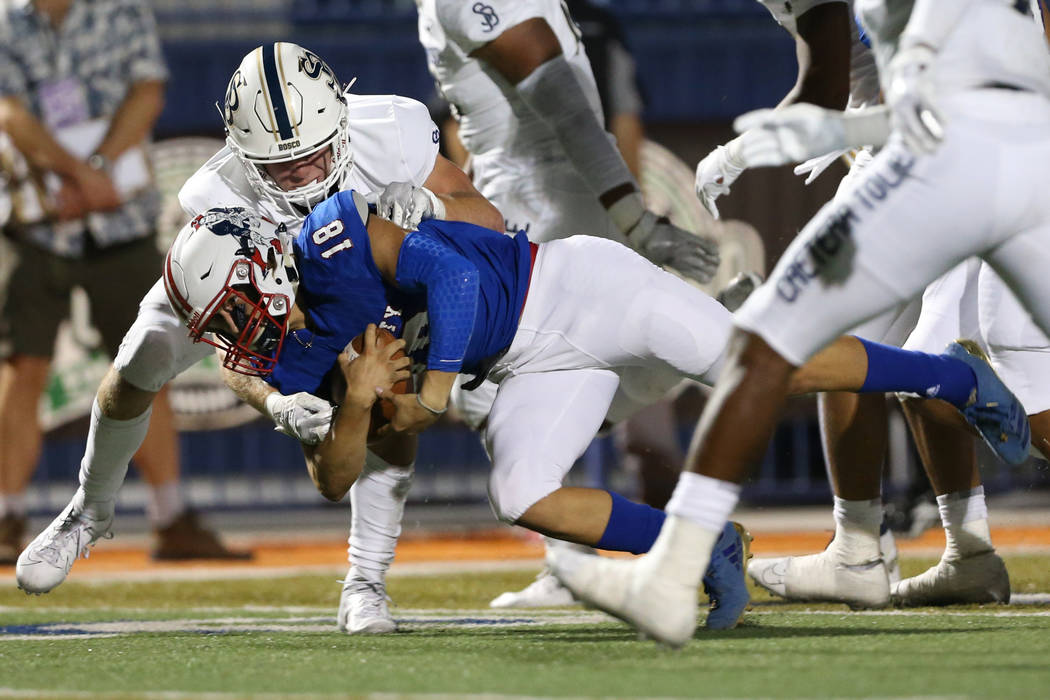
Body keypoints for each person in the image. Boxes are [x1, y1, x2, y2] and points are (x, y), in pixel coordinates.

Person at [157, 179, 1025, 634]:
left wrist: (429, 389)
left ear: (261, 261)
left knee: (750, 367)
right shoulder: (296, 354)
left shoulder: (335, 240)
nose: (237, 334)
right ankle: (700, 546)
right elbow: (331, 476)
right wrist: (351, 403)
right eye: (220, 325)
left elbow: (455, 275)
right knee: (518, 491)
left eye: (233, 308)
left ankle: (955, 380)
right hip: (531, 364)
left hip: (571, 287)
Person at [549, 0, 1050, 647]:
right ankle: (688, 570)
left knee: (1022, 384)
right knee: (795, 343)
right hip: (940, 164)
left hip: (999, 164)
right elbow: (876, 81)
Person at [14, 42, 502, 637]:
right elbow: (236, 343)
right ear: (242, 153)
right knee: (136, 364)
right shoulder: (216, 198)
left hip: (355, 274)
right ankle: (89, 509)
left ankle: (365, 584)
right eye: (279, 167)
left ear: (342, 125)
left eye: (315, 159)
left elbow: (489, 220)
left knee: (387, 391)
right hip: (271, 284)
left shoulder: (392, 128)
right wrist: (275, 403)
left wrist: (433, 204)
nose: (301, 178)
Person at [415, 0, 721, 609]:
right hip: (557, 199)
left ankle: (572, 562)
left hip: (533, 207)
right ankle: (686, 349)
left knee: (487, 394)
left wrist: (635, 218)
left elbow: (563, 101)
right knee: (565, 383)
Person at [0, 0, 245, 564]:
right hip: (36, 221)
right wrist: (80, 173)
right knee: (22, 366)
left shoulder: (121, 9)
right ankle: (7, 515)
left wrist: (98, 170)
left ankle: (170, 516)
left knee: (146, 364)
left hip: (121, 220)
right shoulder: (8, 19)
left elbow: (147, 93)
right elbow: (10, 112)